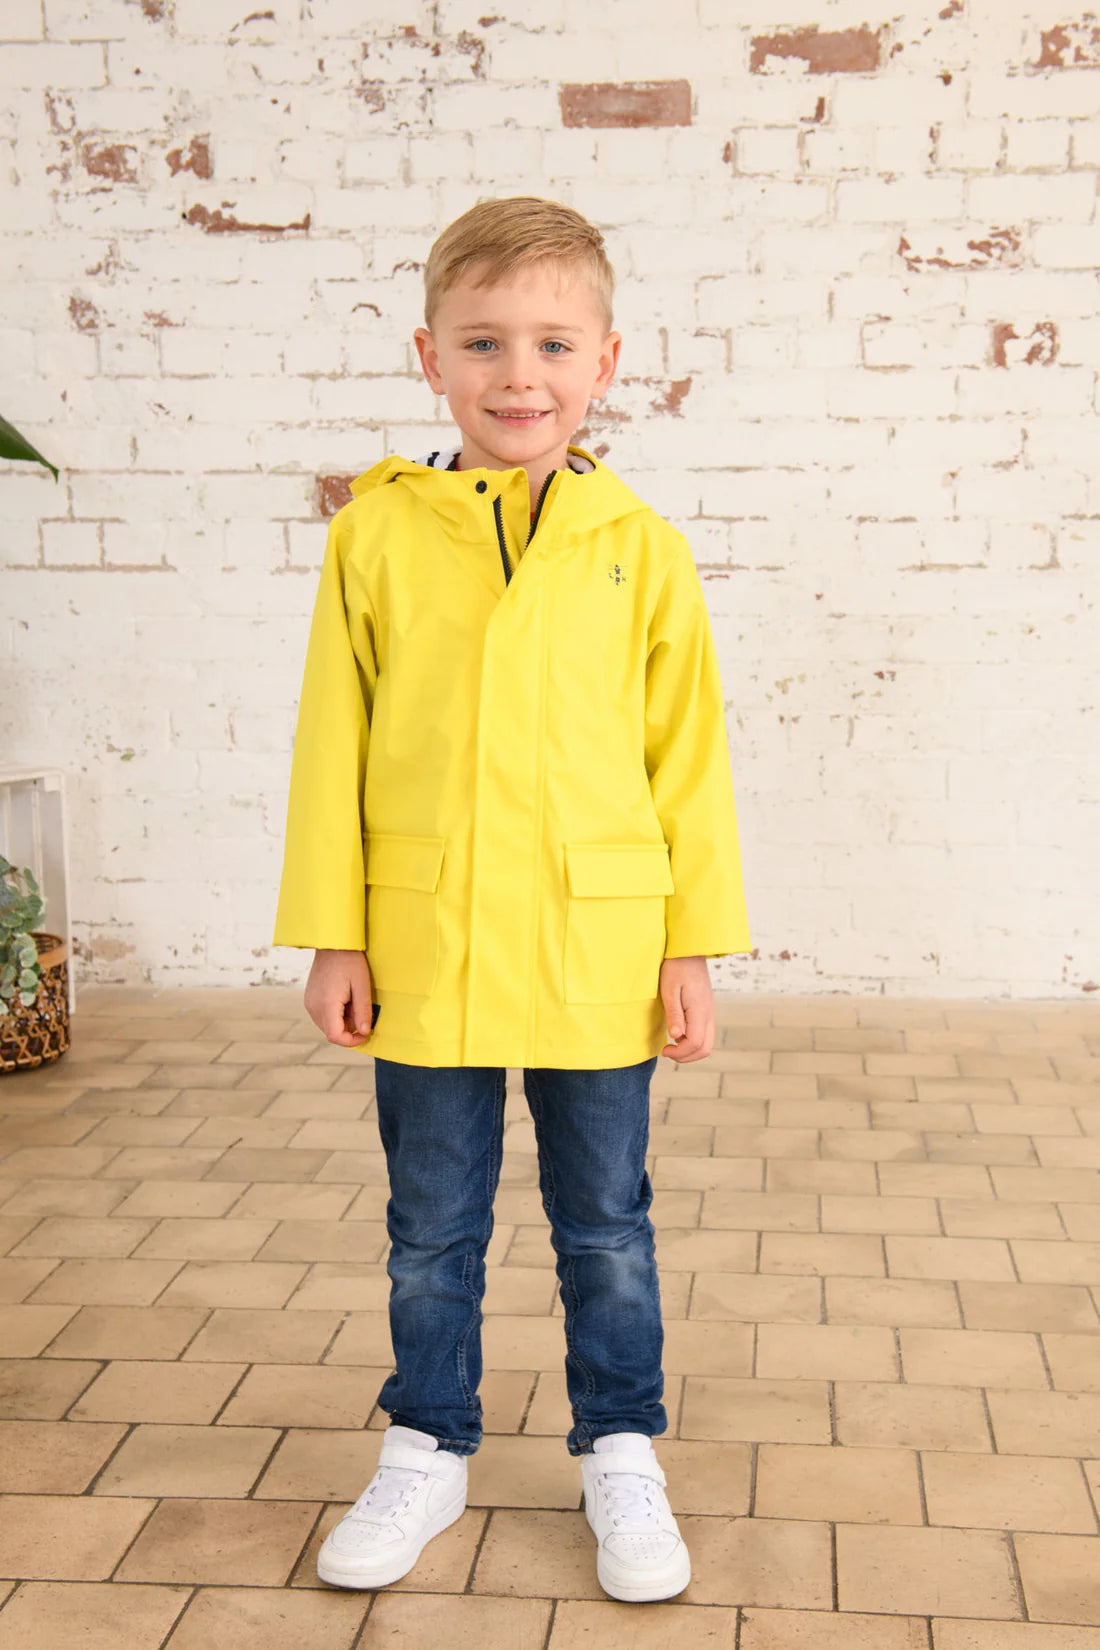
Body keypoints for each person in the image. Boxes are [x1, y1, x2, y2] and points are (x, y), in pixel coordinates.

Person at [273, 194, 752, 1603]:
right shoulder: (375, 537)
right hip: (425, 946)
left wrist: (691, 946)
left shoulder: (639, 546)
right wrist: (336, 929)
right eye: (484, 342)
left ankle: (620, 1448)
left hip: (601, 947)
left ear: (608, 361)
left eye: (553, 342)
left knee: (606, 1220)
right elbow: (331, 745)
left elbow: (690, 762)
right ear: (431, 355)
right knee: (432, 1225)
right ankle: (427, 1441)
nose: (519, 374)